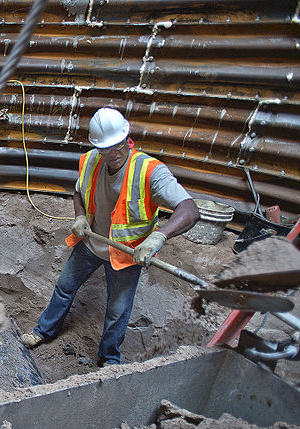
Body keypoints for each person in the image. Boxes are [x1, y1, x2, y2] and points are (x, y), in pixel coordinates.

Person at [22, 107, 199, 366]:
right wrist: (80, 216)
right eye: (106, 148)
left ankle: (109, 360)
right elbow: (78, 193)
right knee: (64, 287)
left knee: (117, 311)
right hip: (91, 243)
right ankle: (44, 331)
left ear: (127, 138)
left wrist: (158, 237)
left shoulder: (150, 171)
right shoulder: (90, 160)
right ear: (97, 146)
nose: (113, 153)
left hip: (127, 254)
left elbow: (190, 210)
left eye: (118, 146)